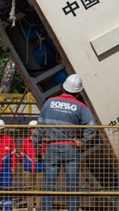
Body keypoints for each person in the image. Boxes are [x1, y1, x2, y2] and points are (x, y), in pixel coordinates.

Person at [34, 74, 96, 211]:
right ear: (79, 92)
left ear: (63, 88)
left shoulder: (49, 103)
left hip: (52, 147)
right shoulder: (81, 107)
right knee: (72, 186)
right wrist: (83, 142)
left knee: (48, 186)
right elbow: (92, 127)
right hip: (71, 148)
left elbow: (39, 128)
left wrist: (37, 148)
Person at [20, 120, 44, 211]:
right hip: (28, 169)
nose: (35, 130)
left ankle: (38, 207)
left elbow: (45, 154)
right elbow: (22, 154)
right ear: (30, 130)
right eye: (33, 128)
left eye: (36, 128)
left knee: (39, 189)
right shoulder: (25, 141)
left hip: (39, 169)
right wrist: (26, 163)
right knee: (29, 189)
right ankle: (29, 208)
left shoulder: (42, 142)